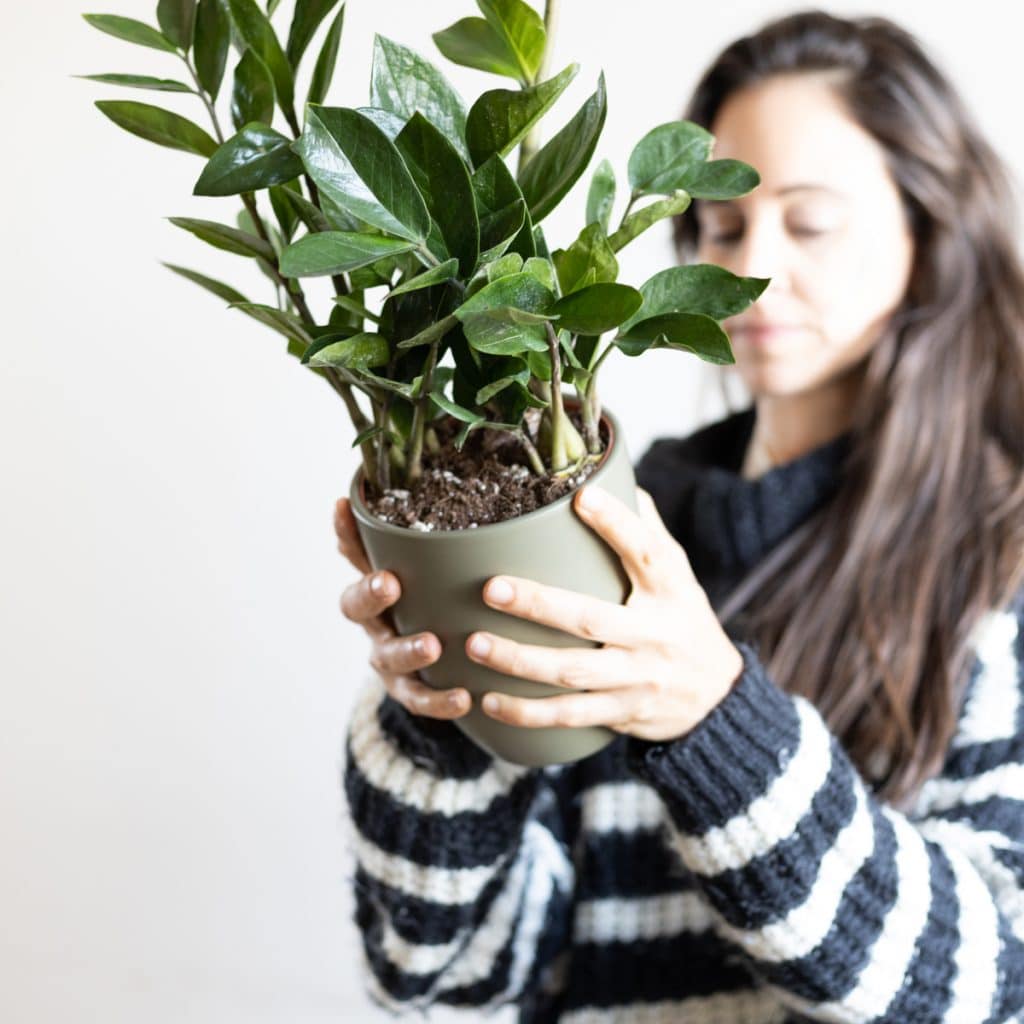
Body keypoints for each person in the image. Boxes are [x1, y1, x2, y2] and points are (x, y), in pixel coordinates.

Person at [335, 10, 1024, 1022]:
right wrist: (444, 712)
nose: (756, 265)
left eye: (812, 221)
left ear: (928, 235)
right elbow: (444, 985)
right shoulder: (610, 548)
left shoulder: (995, 556)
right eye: (724, 222)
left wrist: (715, 723)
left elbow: (992, 978)